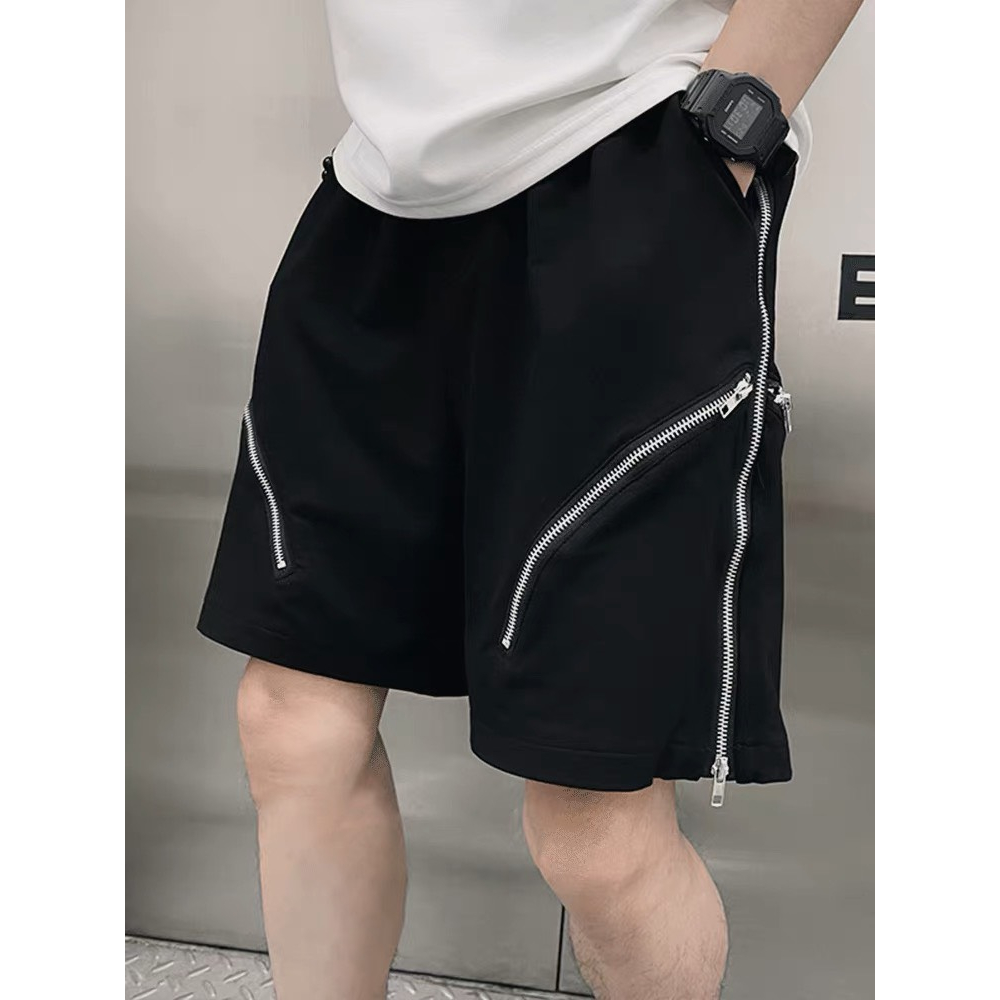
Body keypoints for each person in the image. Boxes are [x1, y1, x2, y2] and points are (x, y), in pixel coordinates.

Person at [197, 1, 863, 997]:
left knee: (591, 816)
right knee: (294, 726)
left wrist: (729, 132)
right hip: (380, 187)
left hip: (627, 155)